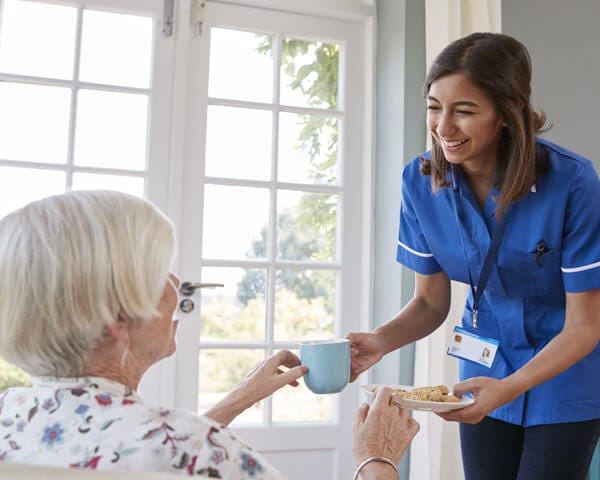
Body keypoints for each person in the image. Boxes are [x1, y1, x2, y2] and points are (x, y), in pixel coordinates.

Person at [0, 190, 418, 479]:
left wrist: (234, 401)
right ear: (117, 320)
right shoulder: (200, 450)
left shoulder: (10, 417)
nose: (175, 283)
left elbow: (139, 453)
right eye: (157, 273)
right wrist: (377, 458)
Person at [346, 32, 600, 480]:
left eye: (464, 111)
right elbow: (429, 302)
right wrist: (378, 342)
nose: (443, 127)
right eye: (433, 107)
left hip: (565, 373)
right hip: (482, 369)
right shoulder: (419, 181)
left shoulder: (572, 183)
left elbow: (585, 325)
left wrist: (511, 387)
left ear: (507, 112)